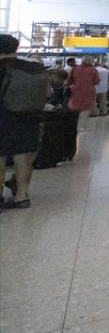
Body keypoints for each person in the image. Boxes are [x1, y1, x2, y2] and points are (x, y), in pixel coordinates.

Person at [0, 34, 42, 210]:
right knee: (23, 159)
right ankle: (21, 197)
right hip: (29, 118)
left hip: (3, 117)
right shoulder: (33, 68)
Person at [66, 55, 99, 133]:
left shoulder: (75, 69)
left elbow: (69, 80)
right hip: (88, 91)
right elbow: (96, 81)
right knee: (85, 110)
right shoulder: (93, 70)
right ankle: (82, 127)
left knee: (74, 108)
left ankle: (73, 125)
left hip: (75, 91)